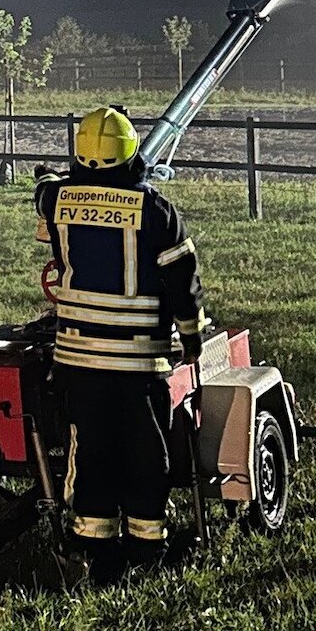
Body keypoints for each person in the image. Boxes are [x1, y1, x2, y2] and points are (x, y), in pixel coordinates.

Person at [35, 106, 204, 582]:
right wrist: (191, 341)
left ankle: (92, 549)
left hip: (78, 361)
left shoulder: (58, 200)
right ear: (131, 156)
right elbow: (183, 283)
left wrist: (50, 179)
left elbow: (43, 191)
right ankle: (148, 549)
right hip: (138, 364)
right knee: (146, 455)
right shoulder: (156, 212)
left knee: (90, 453)